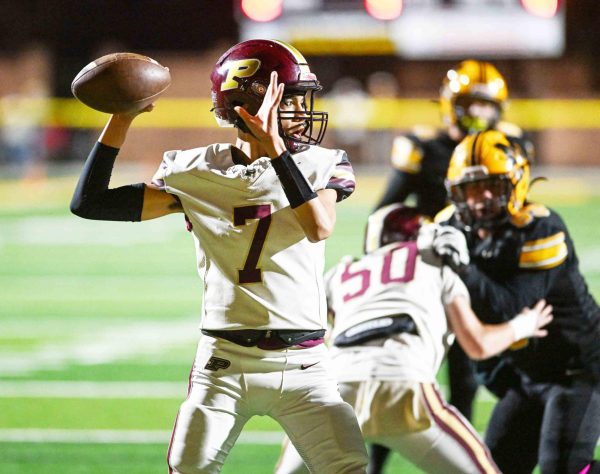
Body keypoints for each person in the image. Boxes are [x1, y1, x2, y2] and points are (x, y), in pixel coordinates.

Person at [70, 39, 368, 474]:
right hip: (223, 364)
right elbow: (90, 203)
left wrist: (277, 150)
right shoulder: (195, 172)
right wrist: (122, 117)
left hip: (304, 364)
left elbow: (318, 226)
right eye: (289, 100)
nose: (302, 112)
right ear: (246, 106)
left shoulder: (323, 162)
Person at [274, 203, 553, 474]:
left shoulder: (342, 272)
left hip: (336, 391)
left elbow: (301, 330)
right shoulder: (434, 263)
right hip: (404, 384)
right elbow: (477, 343)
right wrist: (523, 325)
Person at [369, 59, 533, 473]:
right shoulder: (423, 146)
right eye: (470, 104)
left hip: (475, 277)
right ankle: (372, 465)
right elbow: (385, 212)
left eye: (485, 105)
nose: (478, 114)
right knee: (402, 376)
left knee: (465, 378)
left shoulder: (511, 145)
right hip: (425, 276)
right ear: (450, 104)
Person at [437, 130, 600, 473]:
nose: (480, 199)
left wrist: (459, 268)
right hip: (527, 375)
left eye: (491, 186)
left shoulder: (541, 228)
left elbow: (510, 308)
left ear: (515, 183)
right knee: (492, 468)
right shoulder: (453, 229)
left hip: (578, 369)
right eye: (469, 189)